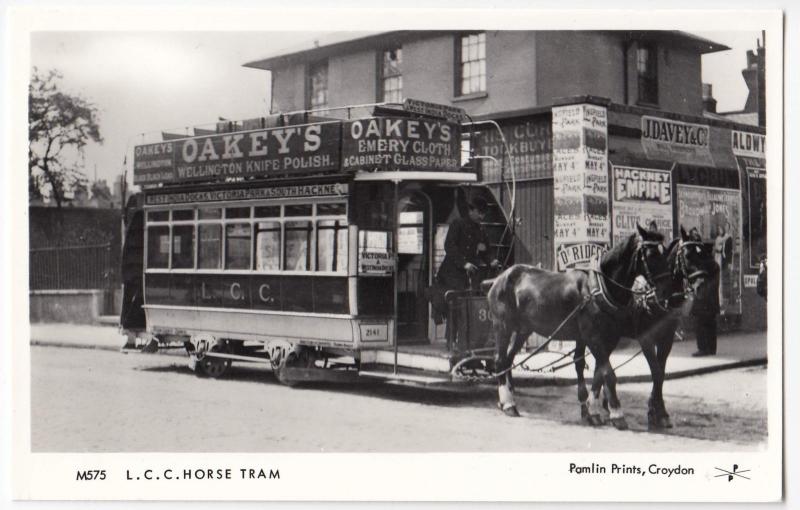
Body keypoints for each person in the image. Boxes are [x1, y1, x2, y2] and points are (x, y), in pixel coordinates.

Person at [434, 196, 500, 349]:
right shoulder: (458, 224)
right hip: (451, 274)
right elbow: (449, 246)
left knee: (467, 308)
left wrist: (492, 260)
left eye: (483, 214)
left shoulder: (480, 229)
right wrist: (464, 263)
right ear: (471, 211)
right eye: (479, 213)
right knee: (454, 308)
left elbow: (485, 249)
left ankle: (465, 342)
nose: (481, 217)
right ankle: (451, 343)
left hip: (468, 275)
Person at [691, 230, 720, 357]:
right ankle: (711, 349)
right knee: (711, 325)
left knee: (700, 324)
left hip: (703, 301)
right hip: (712, 302)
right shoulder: (715, 265)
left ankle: (702, 348)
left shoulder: (705, 265)